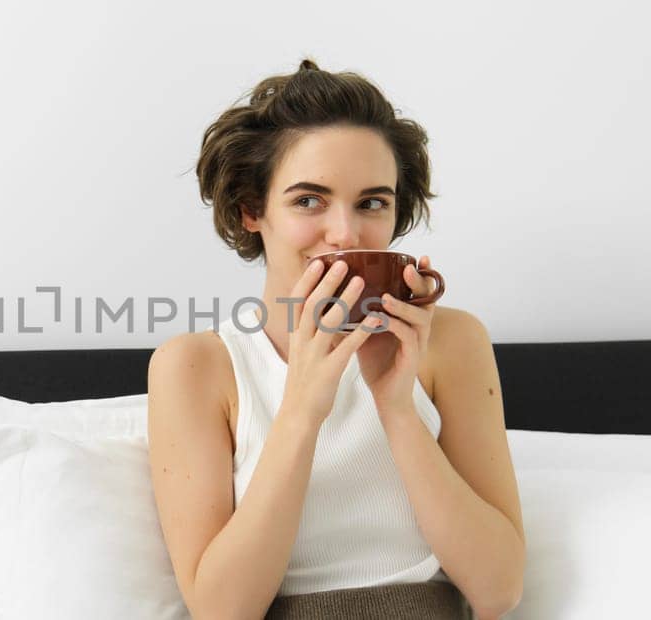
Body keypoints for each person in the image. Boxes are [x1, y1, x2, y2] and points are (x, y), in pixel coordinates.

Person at [147, 59, 525, 620]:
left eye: (372, 202)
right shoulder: (198, 366)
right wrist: (301, 408)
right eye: (308, 200)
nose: (345, 233)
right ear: (253, 210)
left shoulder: (452, 343)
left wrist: (396, 406)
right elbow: (222, 611)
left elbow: (498, 591)